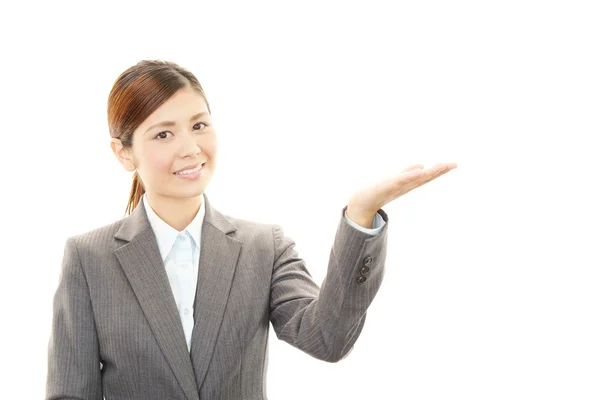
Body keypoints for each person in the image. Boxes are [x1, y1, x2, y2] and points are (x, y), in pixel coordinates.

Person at [45, 59, 457, 400]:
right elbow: (70, 392)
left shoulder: (264, 247)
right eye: (164, 133)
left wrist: (361, 215)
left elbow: (327, 338)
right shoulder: (89, 257)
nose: (190, 147)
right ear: (124, 153)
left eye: (199, 125)